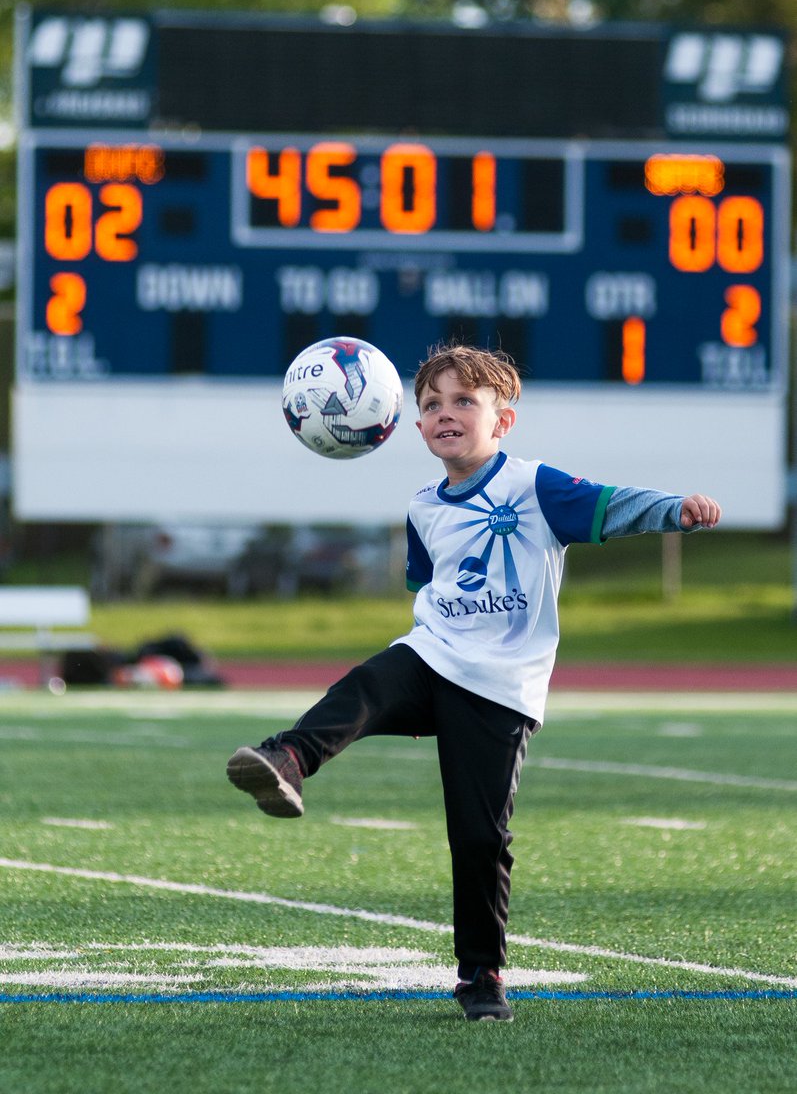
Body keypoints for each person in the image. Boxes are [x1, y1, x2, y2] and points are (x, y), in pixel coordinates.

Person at [227, 343, 722, 1022]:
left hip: (500, 686)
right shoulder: (423, 504)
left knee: (479, 835)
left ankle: (480, 976)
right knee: (368, 684)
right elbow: (426, 584)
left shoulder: (532, 485)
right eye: (431, 404)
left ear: (503, 421)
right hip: (434, 655)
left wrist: (673, 509)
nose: (445, 413)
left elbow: (611, 506)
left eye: (464, 401)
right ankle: (288, 757)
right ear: (413, 424)